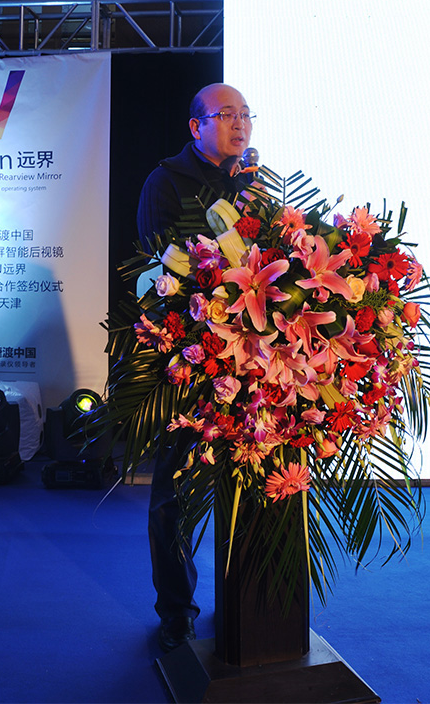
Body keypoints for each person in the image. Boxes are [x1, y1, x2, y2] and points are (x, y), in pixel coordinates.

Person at [137, 84, 255, 652]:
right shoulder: (166, 182)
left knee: (254, 476)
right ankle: (176, 609)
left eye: (246, 115)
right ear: (196, 127)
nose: (240, 124)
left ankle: (250, 601)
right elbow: (154, 268)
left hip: (253, 358)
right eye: (226, 115)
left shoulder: (256, 185)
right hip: (189, 357)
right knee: (176, 489)